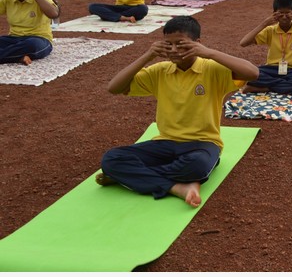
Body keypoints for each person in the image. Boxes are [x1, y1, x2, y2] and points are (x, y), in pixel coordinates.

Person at [96, 16, 259, 207]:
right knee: (111, 159)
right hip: (165, 143)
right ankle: (176, 187)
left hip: (202, 144)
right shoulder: (160, 71)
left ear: (197, 44)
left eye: (181, 44)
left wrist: (209, 53)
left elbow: (253, 73)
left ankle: (129, 177)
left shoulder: (212, 69)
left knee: (196, 166)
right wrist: (148, 55)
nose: (173, 50)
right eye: (168, 45)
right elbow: (113, 88)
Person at [0, 0, 60, 64]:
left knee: (32, 45)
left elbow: (53, 14)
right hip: (14, 38)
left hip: (39, 39)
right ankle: (15, 57)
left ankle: (10, 55)